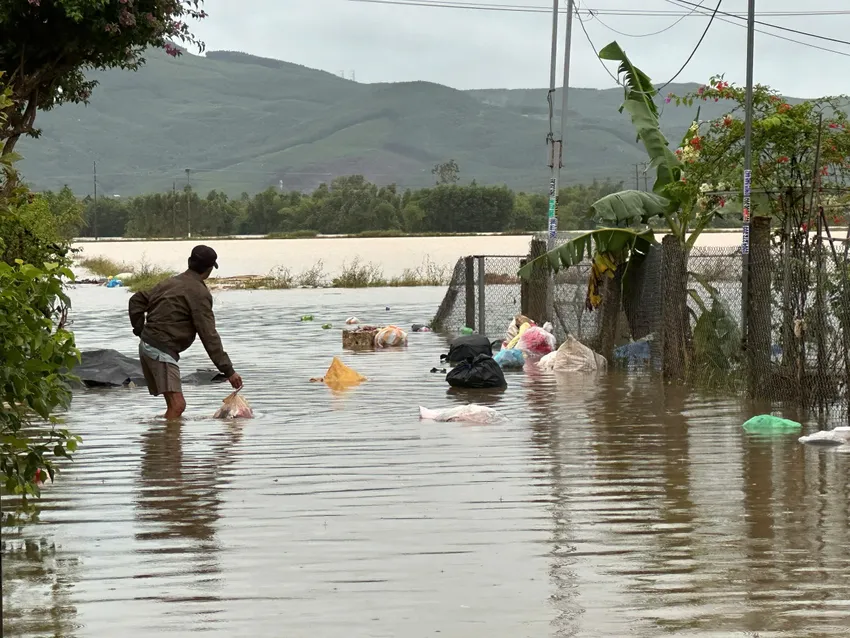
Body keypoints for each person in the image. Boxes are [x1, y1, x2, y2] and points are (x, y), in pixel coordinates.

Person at [129, 245, 243, 419]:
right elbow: (209, 335)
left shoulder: (169, 282)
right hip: (160, 351)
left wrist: (140, 330)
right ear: (210, 269)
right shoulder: (199, 293)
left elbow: (136, 300)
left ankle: (162, 439)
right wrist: (228, 371)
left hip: (149, 347)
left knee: (174, 406)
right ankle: (167, 445)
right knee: (178, 405)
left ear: (190, 262)